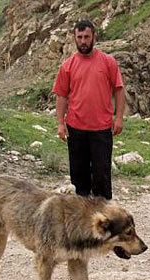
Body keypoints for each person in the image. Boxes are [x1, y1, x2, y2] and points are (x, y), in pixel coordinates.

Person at [52, 20, 125, 200]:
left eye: (86, 37)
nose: (83, 41)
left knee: (102, 175)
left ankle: (104, 216)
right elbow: (61, 95)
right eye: (79, 37)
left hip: (101, 129)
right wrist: (60, 123)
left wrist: (119, 118)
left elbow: (119, 89)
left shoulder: (108, 62)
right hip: (76, 129)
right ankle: (82, 218)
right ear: (75, 39)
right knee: (78, 177)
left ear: (94, 37)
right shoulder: (67, 65)